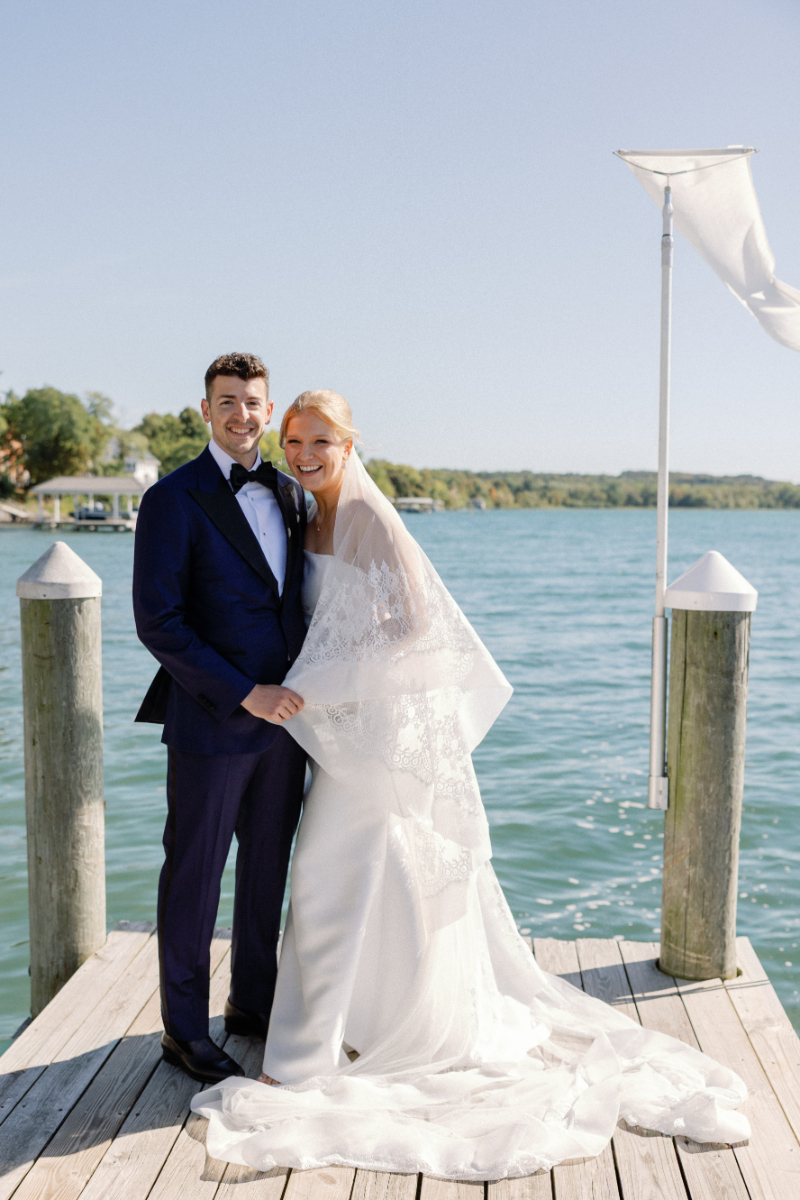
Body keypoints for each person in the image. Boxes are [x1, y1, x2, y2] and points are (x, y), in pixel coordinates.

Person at [192, 390, 750, 1180]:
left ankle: (300, 1057)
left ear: (349, 445)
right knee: (371, 878)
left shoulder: (372, 521)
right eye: (294, 441)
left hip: (374, 735)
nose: (305, 454)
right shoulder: (302, 513)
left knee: (322, 874)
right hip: (338, 736)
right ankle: (374, 1018)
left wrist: (319, 686)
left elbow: (417, 629)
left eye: (320, 440)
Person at [132, 353, 308, 1085]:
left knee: (267, 874)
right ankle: (182, 1031)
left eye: (254, 402)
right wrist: (245, 693)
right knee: (195, 879)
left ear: (270, 414)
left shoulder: (295, 497)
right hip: (213, 723)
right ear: (204, 410)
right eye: (227, 401)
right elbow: (160, 623)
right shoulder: (174, 499)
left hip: (289, 725)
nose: (241, 413)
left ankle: (252, 1003)